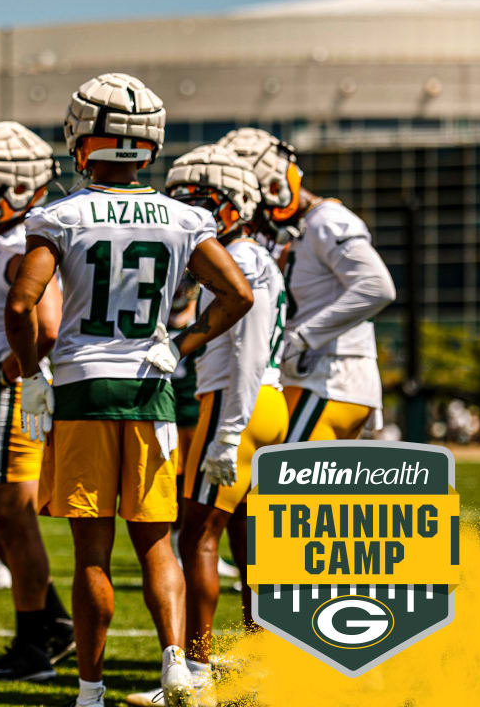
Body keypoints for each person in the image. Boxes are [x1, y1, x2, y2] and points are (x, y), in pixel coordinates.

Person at [4, 73, 254, 707]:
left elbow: (21, 302)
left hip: (86, 386)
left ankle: (91, 689)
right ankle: (175, 666)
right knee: (157, 542)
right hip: (152, 390)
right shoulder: (183, 217)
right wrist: (183, 342)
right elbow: (238, 294)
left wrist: (33, 372)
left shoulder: (59, 213)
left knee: (93, 551)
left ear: (82, 139)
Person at [166, 144, 288, 703]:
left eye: (200, 203)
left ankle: (198, 671)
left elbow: (250, 353)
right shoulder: (251, 255)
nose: (190, 213)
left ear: (234, 206)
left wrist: (230, 432)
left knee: (197, 537)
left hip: (237, 403)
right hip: (263, 403)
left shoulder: (246, 258)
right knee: (246, 539)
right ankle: (261, 659)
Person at [0, 121, 74, 682]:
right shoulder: (8, 243)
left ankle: (34, 643)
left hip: (10, 392)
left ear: (18, 188)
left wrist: (4, 369)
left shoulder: (27, 244)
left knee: (11, 516)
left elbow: (44, 324)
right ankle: (50, 620)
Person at [218, 128, 395, 442]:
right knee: (310, 490)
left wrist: (302, 338)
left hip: (330, 378)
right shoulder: (300, 229)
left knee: (285, 487)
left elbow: (376, 286)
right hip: (314, 377)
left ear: (274, 188)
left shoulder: (327, 221)